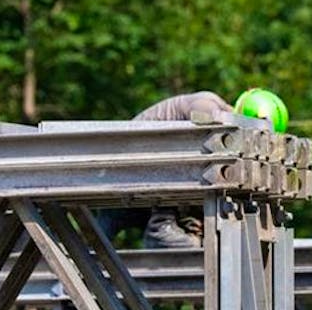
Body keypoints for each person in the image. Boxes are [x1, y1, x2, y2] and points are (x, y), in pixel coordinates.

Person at [103, 89, 289, 248]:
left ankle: (176, 226)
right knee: (209, 167)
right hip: (131, 169)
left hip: (138, 175)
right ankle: (161, 224)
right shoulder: (207, 106)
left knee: (101, 236)